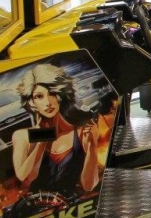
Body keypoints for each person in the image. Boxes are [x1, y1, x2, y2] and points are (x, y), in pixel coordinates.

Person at [11, 63, 100, 195]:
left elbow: (88, 186)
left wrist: (93, 146)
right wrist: (42, 140)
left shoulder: (81, 133)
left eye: (52, 94)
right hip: (35, 205)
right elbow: (25, 178)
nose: (48, 102)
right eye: (39, 96)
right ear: (31, 102)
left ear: (60, 96)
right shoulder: (22, 136)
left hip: (70, 204)